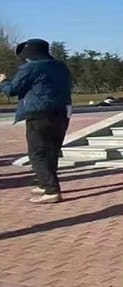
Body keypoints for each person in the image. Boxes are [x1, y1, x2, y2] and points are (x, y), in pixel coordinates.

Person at [0, 39, 73, 204]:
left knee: (37, 153)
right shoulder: (60, 66)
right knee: (52, 151)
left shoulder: (31, 67)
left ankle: (51, 190)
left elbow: (12, 90)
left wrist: (3, 82)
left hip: (39, 113)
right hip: (62, 112)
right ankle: (43, 183)